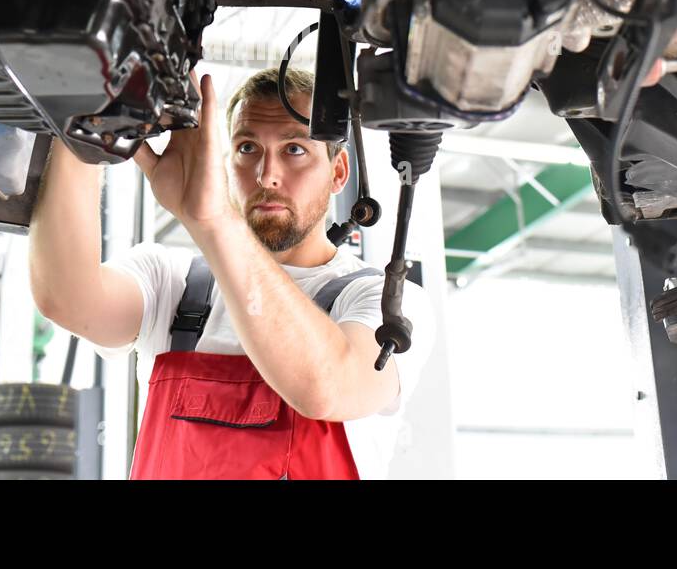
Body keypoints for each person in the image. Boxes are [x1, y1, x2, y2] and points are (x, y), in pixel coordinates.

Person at [28, 65, 435, 479]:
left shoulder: (385, 302)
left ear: (338, 172)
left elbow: (327, 387)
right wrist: (86, 127)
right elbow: (67, 298)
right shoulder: (173, 283)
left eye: (294, 149)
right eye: (247, 148)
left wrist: (215, 220)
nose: (266, 175)